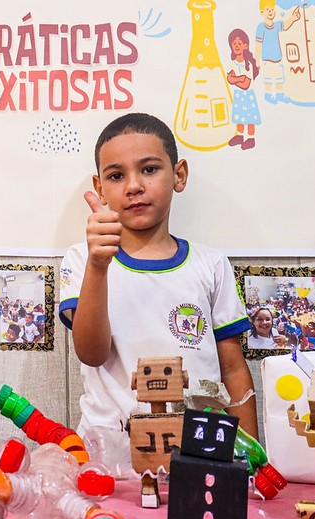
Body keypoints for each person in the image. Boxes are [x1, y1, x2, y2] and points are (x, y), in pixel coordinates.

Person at [59, 113, 258, 457]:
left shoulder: (210, 265)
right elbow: (91, 354)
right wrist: (98, 265)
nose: (133, 185)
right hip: (111, 453)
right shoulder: (82, 260)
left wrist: (250, 458)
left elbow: (234, 369)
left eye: (149, 169)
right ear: (100, 189)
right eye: (117, 176)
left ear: (179, 175)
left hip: (201, 448)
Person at [255, 0, 300, 104]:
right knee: (269, 78)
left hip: (278, 59)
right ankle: (268, 94)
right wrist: (256, 60)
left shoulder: (276, 26)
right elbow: (258, 44)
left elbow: (285, 25)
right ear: (262, 12)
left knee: (279, 77)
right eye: (267, 10)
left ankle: (279, 94)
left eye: (272, 9)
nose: (270, 12)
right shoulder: (261, 27)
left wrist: (293, 18)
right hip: (267, 60)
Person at [226, 28, 261, 151]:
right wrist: (239, 78)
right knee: (239, 117)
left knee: (250, 118)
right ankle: (240, 136)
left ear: (245, 46)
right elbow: (230, 79)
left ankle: (250, 138)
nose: (236, 46)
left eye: (239, 44)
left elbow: (246, 83)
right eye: (234, 44)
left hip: (248, 96)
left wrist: (237, 78)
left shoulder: (249, 64)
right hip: (239, 95)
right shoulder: (233, 63)